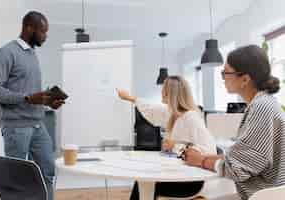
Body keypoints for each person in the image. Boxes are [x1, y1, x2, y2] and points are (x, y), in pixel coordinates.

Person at [184, 45, 285, 200]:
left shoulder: (261, 108)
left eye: (226, 73)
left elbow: (238, 169)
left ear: (245, 79)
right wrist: (207, 157)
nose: (223, 78)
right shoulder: (265, 103)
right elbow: (241, 160)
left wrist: (201, 160)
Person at [0, 11, 64, 200]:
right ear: (29, 28)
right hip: (16, 128)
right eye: (43, 31)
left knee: (48, 172)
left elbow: (29, 93)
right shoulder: (6, 53)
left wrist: (48, 101)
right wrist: (27, 98)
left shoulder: (31, 54)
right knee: (17, 180)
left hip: (38, 125)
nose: (46, 36)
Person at [117, 76, 217, 199]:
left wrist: (174, 146)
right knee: (142, 181)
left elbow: (209, 150)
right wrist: (129, 98)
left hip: (190, 180)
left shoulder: (191, 118)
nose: (161, 92)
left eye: (164, 89)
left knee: (145, 183)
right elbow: (151, 108)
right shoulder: (171, 113)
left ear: (172, 93)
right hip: (177, 173)